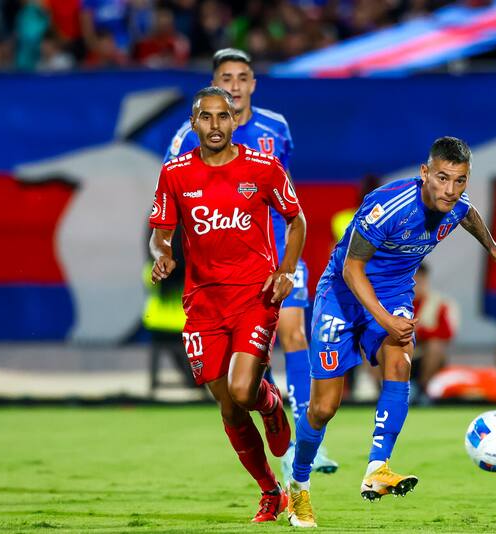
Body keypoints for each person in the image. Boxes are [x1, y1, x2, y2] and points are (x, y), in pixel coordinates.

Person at [285, 136, 496, 528]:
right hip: (342, 297)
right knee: (323, 407)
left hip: (394, 292)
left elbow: (467, 214)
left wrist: (494, 249)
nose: (450, 190)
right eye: (443, 178)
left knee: (400, 358)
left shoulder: (454, 205)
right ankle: (298, 485)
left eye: (460, 180)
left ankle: (378, 466)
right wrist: (383, 319)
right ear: (424, 173)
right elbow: (351, 269)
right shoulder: (387, 207)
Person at [165, 48, 338, 479]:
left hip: (279, 255)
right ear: (214, 82)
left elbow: (286, 191)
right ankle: (267, 398)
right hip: (222, 274)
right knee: (241, 379)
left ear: (253, 84)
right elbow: (172, 193)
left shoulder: (275, 126)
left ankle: (307, 439)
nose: (236, 86)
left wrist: (286, 260)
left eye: (243, 77)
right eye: (227, 77)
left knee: (296, 334)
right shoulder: (189, 136)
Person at [149, 86, 304, 523]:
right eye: (206, 117)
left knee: (243, 390)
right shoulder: (176, 173)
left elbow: (297, 221)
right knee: (228, 403)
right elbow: (160, 229)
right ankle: (270, 492)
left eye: (223, 117)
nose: (215, 125)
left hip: (254, 295)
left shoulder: (263, 167)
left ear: (236, 121)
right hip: (202, 304)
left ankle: (271, 404)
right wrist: (162, 252)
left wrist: (286, 271)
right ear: (193, 123)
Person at [410, 262, 459, 405]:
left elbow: (447, 333)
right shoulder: (394, 300)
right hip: (399, 352)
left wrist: (420, 332)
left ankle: (422, 390)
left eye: (420, 279)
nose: (416, 284)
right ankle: (382, 390)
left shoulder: (440, 302)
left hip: (424, 355)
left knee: (436, 346)